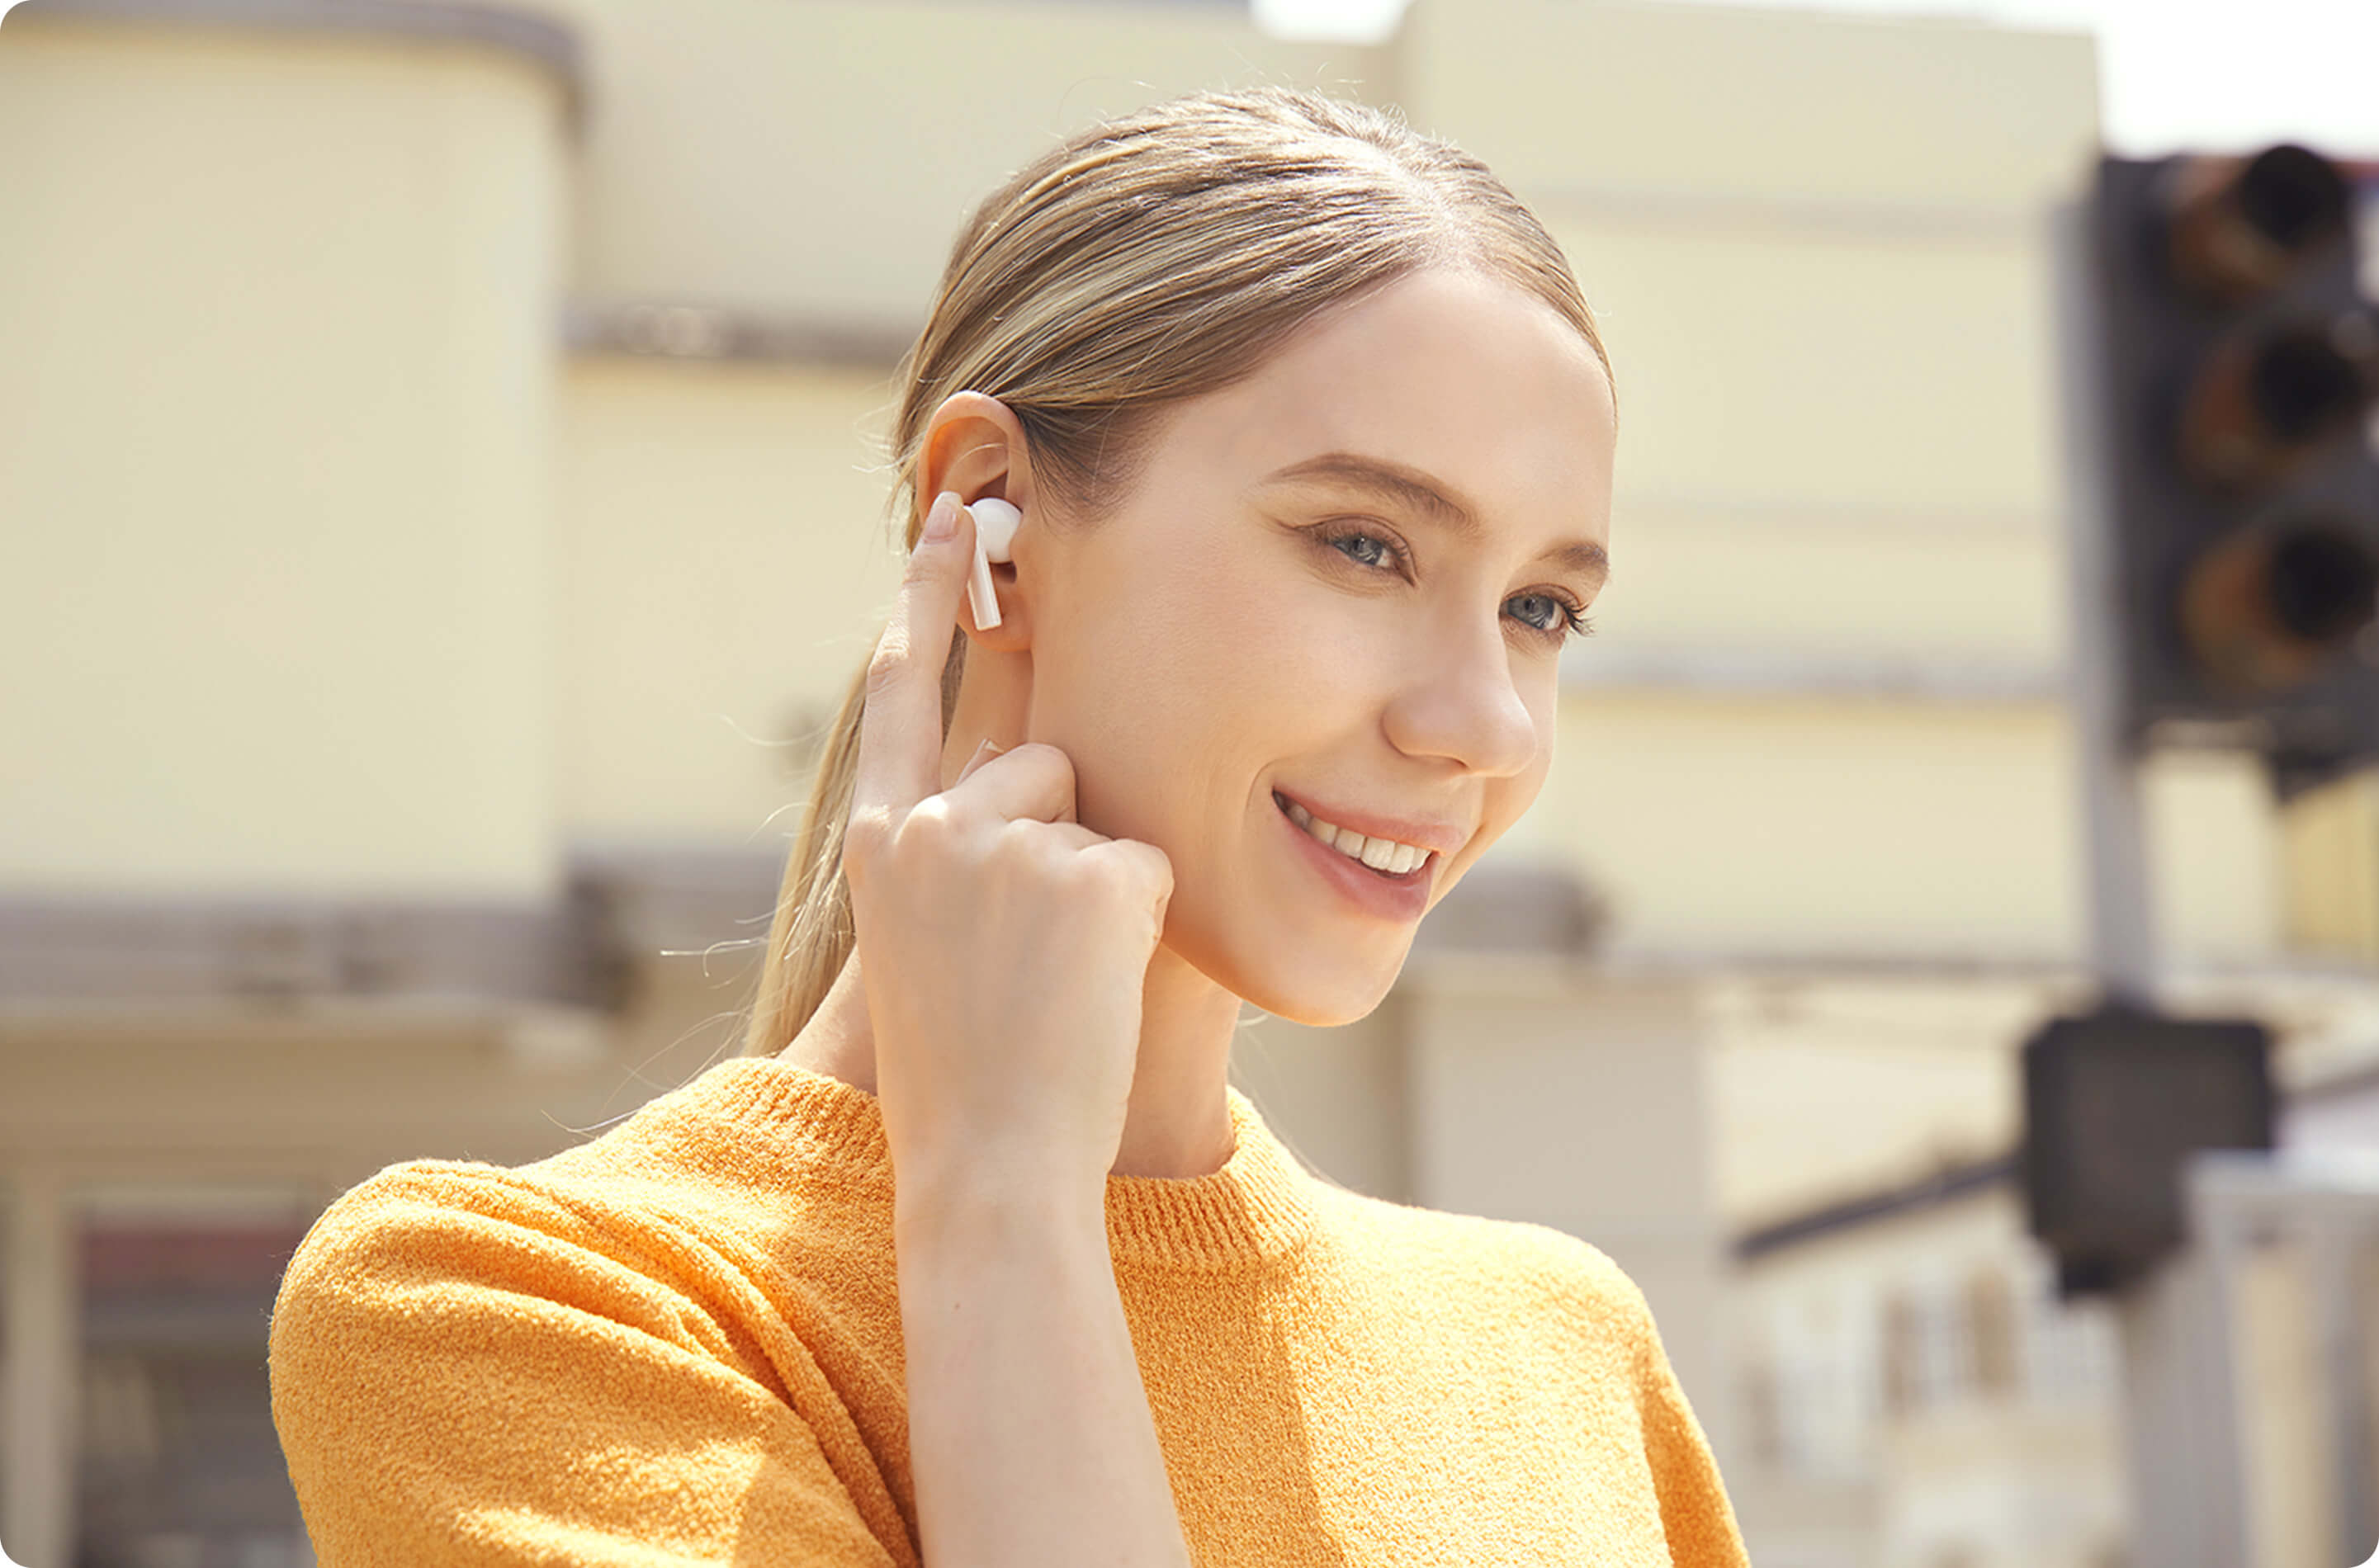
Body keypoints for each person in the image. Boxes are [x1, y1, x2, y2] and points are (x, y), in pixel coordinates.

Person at [268, 84, 1750, 1566]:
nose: (1486, 722)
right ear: (989, 516)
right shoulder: (520, 1316)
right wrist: (1001, 1193)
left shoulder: (1561, 1357)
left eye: (1540, 608)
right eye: (1364, 545)